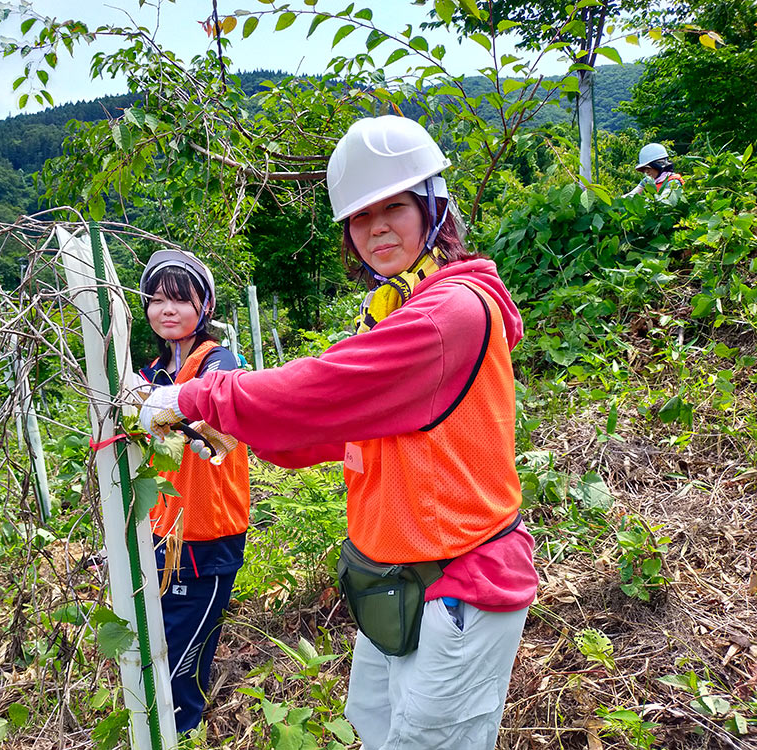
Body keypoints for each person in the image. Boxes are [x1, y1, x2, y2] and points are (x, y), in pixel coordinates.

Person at [139, 115, 538, 749]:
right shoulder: (402, 310)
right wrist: (234, 429)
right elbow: (342, 429)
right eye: (359, 215)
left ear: (434, 207)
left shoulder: (451, 312)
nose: (376, 226)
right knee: (376, 727)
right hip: (397, 579)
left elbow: (326, 387)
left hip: (455, 584)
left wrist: (197, 394)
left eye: (395, 207)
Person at [138, 249, 251, 734]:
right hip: (161, 531)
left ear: (204, 306)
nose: (168, 310)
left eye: (181, 300)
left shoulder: (219, 361)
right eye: (157, 299)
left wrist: (153, 411)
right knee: (157, 645)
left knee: (182, 657)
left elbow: (213, 429)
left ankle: (182, 734)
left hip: (207, 533)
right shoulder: (151, 372)